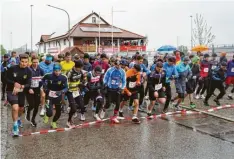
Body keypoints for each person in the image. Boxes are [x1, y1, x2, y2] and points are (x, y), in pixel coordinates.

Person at [5, 54, 32, 136]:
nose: (24, 64)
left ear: (28, 62)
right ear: (19, 61)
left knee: (21, 108)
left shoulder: (29, 71)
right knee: (15, 107)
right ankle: (15, 126)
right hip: (11, 90)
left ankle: (18, 118)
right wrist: (14, 83)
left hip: (21, 91)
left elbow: (29, 83)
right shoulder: (12, 68)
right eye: (22, 61)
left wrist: (22, 86)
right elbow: (5, 79)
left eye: (26, 62)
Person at [42, 64, 68, 128]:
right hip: (49, 95)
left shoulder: (64, 77)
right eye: (56, 71)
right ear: (53, 70)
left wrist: (61, 91)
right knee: (49, 113)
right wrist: (45, 87)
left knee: (58, 112)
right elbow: (42, 80)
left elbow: (67, 87)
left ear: (61, 70)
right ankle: (46, 115)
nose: (57, 72)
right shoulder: (48, 75)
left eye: (59, 71)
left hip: (58, 95)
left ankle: (53, 122)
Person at [103, 59, 126, 123]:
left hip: (117, 89)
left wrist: (122, 88)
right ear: (114, 64)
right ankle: (104, 109)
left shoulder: (122, 71)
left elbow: (124, 81)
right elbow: (105, 78)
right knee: (108, 103)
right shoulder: (110, 70)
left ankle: (114, 117)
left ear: (121, 65)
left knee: (118, 104)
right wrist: (105, 84)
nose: (118, 66)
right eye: (116, 65)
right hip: (110, 88)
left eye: (119, 65)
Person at [66, 60, 87, 128]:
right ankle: (69, 121)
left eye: (81, 68)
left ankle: (72, 113)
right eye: (80, 67)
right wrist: (72, 86)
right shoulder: (70, 72)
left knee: (82, 106)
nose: (81, 69)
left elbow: (83, 81)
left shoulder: (81, 71)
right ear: (76, 67)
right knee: (74, 108)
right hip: (70, 92)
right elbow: (66, 83)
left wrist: (84, 81)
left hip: (77, 91)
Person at [25, 56, 44, 127]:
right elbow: (25, 80)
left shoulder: (40, 70)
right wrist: (29, 87)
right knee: (32, 105)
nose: (35, 64)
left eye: (36, 62)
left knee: (37, 105)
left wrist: (42, 86)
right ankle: (28, 111)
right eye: (34, 62)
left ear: (38, 62)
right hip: (29, 89)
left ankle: (33, 119)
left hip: (37, 89)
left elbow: (43, 79)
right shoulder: (28, 69)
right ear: (31, 62)